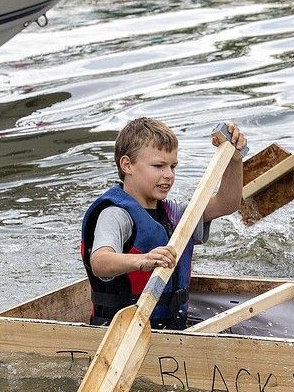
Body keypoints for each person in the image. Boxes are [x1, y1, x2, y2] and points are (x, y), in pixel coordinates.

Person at [80, 117, 247, 329]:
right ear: (127, 165)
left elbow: (227, 203)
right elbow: (100, 262)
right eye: (159, 166)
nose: (168, 175)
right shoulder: (114, 214)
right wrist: (143, 260)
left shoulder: (176, 214)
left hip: (170, 327)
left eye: (173, 166)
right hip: (120, 330)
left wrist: (234, 159)